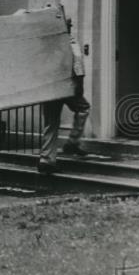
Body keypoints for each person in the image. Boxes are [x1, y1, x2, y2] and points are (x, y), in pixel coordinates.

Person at [38, 17, 91, 174]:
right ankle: (73, 142)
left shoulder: (46, 44)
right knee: (84, 108)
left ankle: (46, 159)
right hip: (67, 87)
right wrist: (79, 88)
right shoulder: (70, 42)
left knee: (51, 123)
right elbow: (78, 67)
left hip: (49, 88)